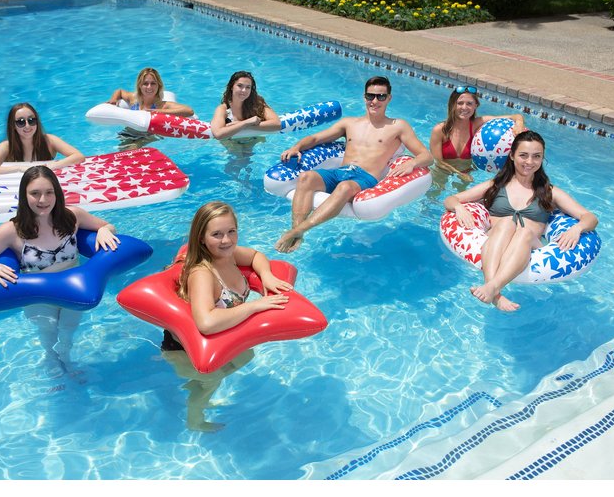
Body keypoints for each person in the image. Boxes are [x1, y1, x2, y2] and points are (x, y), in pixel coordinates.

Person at [0, 166, 120, 371]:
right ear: (24, 195)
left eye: (49, 192)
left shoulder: (72, 216)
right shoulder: (10, 231)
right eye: (35, 193)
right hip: (39, 295)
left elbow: (107, 225)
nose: (43, 200)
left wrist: (104, 231)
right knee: (48, 333)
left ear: (57, 193)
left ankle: (68, 363)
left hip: (73, 288)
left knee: (68, 331)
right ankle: (52, 363)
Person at [443, 130, 598, 312]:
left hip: (530, 244)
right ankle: (495, 291)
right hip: (496, 240)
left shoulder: (549, 192)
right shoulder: (496, 186)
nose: (529, 162)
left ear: (542, 159)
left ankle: (492, 288)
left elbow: (590, 218)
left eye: (536, 156)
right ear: (512, 156)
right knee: (507, 222)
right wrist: (459, 208)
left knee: (524, 232)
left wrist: (577, 229)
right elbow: (451, 199)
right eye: (523, 155)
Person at [274, 76, 433, 253]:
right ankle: (296, 232)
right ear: (364, 97)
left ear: (389, 98)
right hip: (340, 172)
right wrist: (296, 147)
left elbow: (427, 156)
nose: (374, 101)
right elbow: (316, 138)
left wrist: (413, 163)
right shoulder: (349, 123)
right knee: (306, 177)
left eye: (381, 97)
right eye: (370, 96)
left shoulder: (398, 126)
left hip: (364, 178)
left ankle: (297, 231)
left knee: (344, 187)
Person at [168, 201, 292, 340]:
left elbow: (255, 256)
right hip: (185, 349)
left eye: (231, 231)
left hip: (232, 335)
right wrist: (254, 306)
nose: (226, 240)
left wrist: (266, 275)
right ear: (201, 238)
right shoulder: (202, 274)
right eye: (217, 234)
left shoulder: (229, 255)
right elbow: (206, 324)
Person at [429, 85, 525, 183]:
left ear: (476, 105)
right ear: (452, 105)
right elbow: (438, 162)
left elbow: (515, 116)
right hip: (441, 173)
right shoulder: (440, 130)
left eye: (469, 103)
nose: (464, 107)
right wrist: (460, 174)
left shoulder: (478, 124)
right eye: (460, 103)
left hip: (467, 173)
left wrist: (519, 124)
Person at [0, 102, 84, 176]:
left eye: (31, 120)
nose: (27, 126)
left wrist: (53, 165)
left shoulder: (49, 141)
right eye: (21, 122)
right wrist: (18, 168)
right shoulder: (6, 146)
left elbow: (78, 156)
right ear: (13, 126)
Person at [209, 71, 281, 139]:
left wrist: (245, 125)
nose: (244, 90)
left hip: (255, 142)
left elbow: (277, 124)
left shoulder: (257, 104)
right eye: (240, 86)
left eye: (248, 87)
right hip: (232, 144)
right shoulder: (223, 109)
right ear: (231, 87)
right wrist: (246, 123)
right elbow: (218, 134)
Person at [107, 67, 194, 117]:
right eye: (145, 84)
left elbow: (189, 111)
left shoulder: (162, 105)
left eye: (153, 83)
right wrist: (114, 99)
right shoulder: (134, 99)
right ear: (140, 85)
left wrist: (157, 111)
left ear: (158, 85)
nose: (149, 87)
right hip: (129, 132)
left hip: (149, 137)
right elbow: (120, 91)